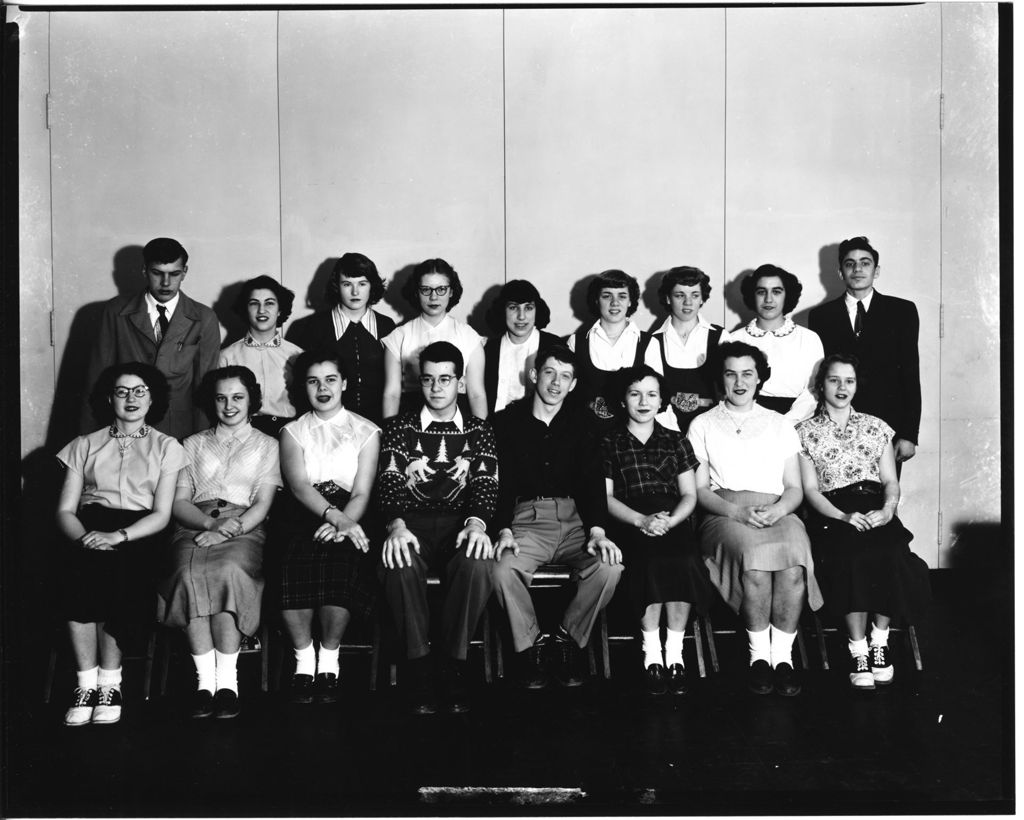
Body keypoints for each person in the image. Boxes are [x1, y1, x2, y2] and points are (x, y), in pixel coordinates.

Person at [687, 341, 823, 697]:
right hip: (725, 512)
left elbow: (794, 487)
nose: (739, 381)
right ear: (721, 379)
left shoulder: (780, 424)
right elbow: (700, 491)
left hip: (778, 509)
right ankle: (758, 657)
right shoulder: (702, 424)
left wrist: (778, 510)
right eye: (731, 373)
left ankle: (783, 659)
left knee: (794, 563)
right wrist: (737, 512)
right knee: (757, 565)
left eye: (748, 373)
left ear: (760, 378)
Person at [56, 363, 187, 726]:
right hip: (90, 526)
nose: (131, 399)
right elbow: (65, 510)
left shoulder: (167, 447)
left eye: (140, 390)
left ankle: (110, 683)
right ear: (108, 398)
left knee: (121, 572)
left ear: (153, 398)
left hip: (140, 531)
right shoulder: (84, 445)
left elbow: (162, 514)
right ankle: (85, 684)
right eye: (122, 391)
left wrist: (118, 536)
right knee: (79, 568)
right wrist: (85, 537)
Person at [490, 344, 623, 690]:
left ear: (574, 384)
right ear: (534, 375)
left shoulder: (585, 424)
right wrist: (503, 528)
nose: (555, 383)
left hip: (576, 520)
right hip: (526, 519)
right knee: (501, 568)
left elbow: (593, 482)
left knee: (609, 567)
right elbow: (498, 483)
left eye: (565, 377)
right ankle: (531, 645)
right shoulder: (505, 423)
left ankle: (567, 638)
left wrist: (597, 531)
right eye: (549, 373)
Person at [377, 341, 498, 714]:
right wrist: (396, 526)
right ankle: (418, 666)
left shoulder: (479, 430)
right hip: (410, 523)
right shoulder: (400, 426)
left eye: (445, 379)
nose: (436, 387)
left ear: (461, 383)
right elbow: (391, 480)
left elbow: (486, 483)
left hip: (460, 524)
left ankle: (454, 663)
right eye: (428, 379)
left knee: (477, 563)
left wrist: (477, 524)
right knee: (398, 563)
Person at [796, 354, 930, 690]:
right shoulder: (803, 432)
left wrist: (887, 510)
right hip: (834, 511)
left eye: (849, 381)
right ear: (820, 385)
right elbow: (810, 490)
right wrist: (842, 516)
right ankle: (857, 649)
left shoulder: (877, 426)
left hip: (875, 507)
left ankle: (879, 641)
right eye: (834, 380)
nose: (842, 388)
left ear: (857, 386)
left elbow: (890, 481)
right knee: (852, 559)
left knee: (891, 554)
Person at [158, 366, 281, 719]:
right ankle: (204, 684)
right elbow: (179, 502)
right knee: (186, 571)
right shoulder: (191, 445)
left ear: (251, 400)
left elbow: (263, 504)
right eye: (222, 398)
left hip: (245, 526)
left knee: (228, 569)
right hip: (194, 523)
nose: (229, 405)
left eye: (238, 397)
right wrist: (209, 524)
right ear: (212, 402)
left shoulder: (268, 445)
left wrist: (228, 528)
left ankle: (228, 682)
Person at [601, 366, 715, 695]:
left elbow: (690, 494)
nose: (643, 401)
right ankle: (652, 653)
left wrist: (670, 521)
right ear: (623, 400)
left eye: (651, 394)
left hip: (672, 518)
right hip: (629, 518)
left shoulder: (675, 440)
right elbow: (605, 497)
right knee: (648, 563)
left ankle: (675, 653)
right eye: (635, 394)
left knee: (682, 560)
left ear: (661, 399)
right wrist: (641, 521)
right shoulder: (610, 441)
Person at [278, 350, 381, 705]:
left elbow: (364, 489)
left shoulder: (366, 430)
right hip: (306, 511)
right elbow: (298, 486)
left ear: (345, 384)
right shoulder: (292, 431)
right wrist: (333, 518)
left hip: (354, 511)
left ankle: (329, 658)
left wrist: (345, 523)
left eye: (330, 379)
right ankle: (304, 658)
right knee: (292, 562)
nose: (322, 388)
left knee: (342, 561)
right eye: (313, 381)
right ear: (302, 387)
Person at [83, 237, 221, 439]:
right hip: (123, 431)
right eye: (157, 273)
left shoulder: (204, 318)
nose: (166, 283)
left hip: (179, 435)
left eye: (174, 274)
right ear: (144, 270)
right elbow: (96, 381)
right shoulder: (114, 312)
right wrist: (88, 445)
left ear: (185, 272)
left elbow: (205, 392)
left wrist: (200, 445)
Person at [808, 236, 921, 470]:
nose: (857, 269)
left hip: (886, 426)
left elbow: (910, 374)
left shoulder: (902, 311)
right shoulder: (821, 316)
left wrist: (909, 433)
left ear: (876, 271)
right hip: (835, 425)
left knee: (883, 500)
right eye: (850, 264)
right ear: (840, 272)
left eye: (865, 263)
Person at [286, 252, 397, 426]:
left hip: (377, 425)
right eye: (347, 284)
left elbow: (394, 387)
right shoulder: (312, 327)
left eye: (362, 283)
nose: (355, 292)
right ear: (337, 286)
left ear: (371, 286)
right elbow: (301, 386)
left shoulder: (386, 326)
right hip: (327, 424)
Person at [382, 259, 486, 419]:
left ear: (451, 291)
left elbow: (476, 395)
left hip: (458, 418)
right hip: (411, 420)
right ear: (416, 292)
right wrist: (390, 433)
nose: (433, 296)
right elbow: (392, 394)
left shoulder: (468, 336)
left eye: (441, 289)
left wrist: (479, 436)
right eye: (426, 290)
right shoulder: (399, 336)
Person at [722, 264, 823, 423]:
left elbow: (814, 390)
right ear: (752, 296)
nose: (768, 299)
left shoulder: (809, 339)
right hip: (746, 421)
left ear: (787, 295)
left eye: (776, 291)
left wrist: (786, 423)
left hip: (798, 422)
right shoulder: (734, 339)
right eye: (761, 292)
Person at [566, 269, 651, 433]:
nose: (615, 302)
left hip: (631, 440)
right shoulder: (576, 342)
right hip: (585, 437)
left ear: (631, 301)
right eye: (607, 296)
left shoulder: (648, 343)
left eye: (622, 296)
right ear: (596, 300)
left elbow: (656, 398)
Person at [219, 276, 304, 437]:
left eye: (269, 303)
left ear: (280, 309)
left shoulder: (297, 355)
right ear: (245, 309)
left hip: (288, 433)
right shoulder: (226, 357)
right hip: (242, 433)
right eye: (254, 303)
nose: (262, 310)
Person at [643, 266, 724, 433]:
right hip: (667, 429)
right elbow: (652, 396)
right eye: (680, 295)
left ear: (702, 299)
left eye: (694, 295)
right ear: (667, 298)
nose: (688, 302)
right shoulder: (652, 342)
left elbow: (728, 394)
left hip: (712, 428)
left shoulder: (721, 337)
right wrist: (674, 436)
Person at [482, 280, 561, 415]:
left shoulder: (554, 345)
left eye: (528, 308)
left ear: (537, 310)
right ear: (502, 310)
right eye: (513, 307)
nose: (521, 316)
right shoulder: (489, 350)